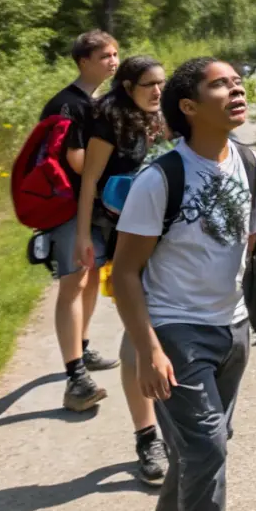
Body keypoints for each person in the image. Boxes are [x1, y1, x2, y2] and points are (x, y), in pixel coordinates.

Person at [112, 58, 256, 511]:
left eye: (238, 83)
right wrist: (148, 349)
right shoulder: (160, 180)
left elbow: (252, 250)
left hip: (233, 328)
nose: (237, 90)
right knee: (206, 448)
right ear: (189, 106)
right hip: (176, 330)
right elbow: (123, 274)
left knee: (203, 446)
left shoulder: (251, 164)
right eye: (220, 85)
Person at [73, 55, 171, 485]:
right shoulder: (110, 119)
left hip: (163, 237)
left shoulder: (161, 117)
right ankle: (147, 436)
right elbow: (90, 179)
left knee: (165, 328)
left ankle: (177, 427)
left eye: (162, 84)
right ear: (127, 86)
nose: (157, 91)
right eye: (149, 84)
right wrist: (81, 236)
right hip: (121, 238)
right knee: (138, 337)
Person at [40, 29, 120, 412]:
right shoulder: (66, 105)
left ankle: (82, 349)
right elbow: (74, 161)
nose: (113, 61)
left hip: (92, 206)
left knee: (89, 275)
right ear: (83, 61)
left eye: (116, 54)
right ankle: (75, 379)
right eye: (105, 55)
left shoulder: (95, 101)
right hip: (69, 206)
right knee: (73, 281)